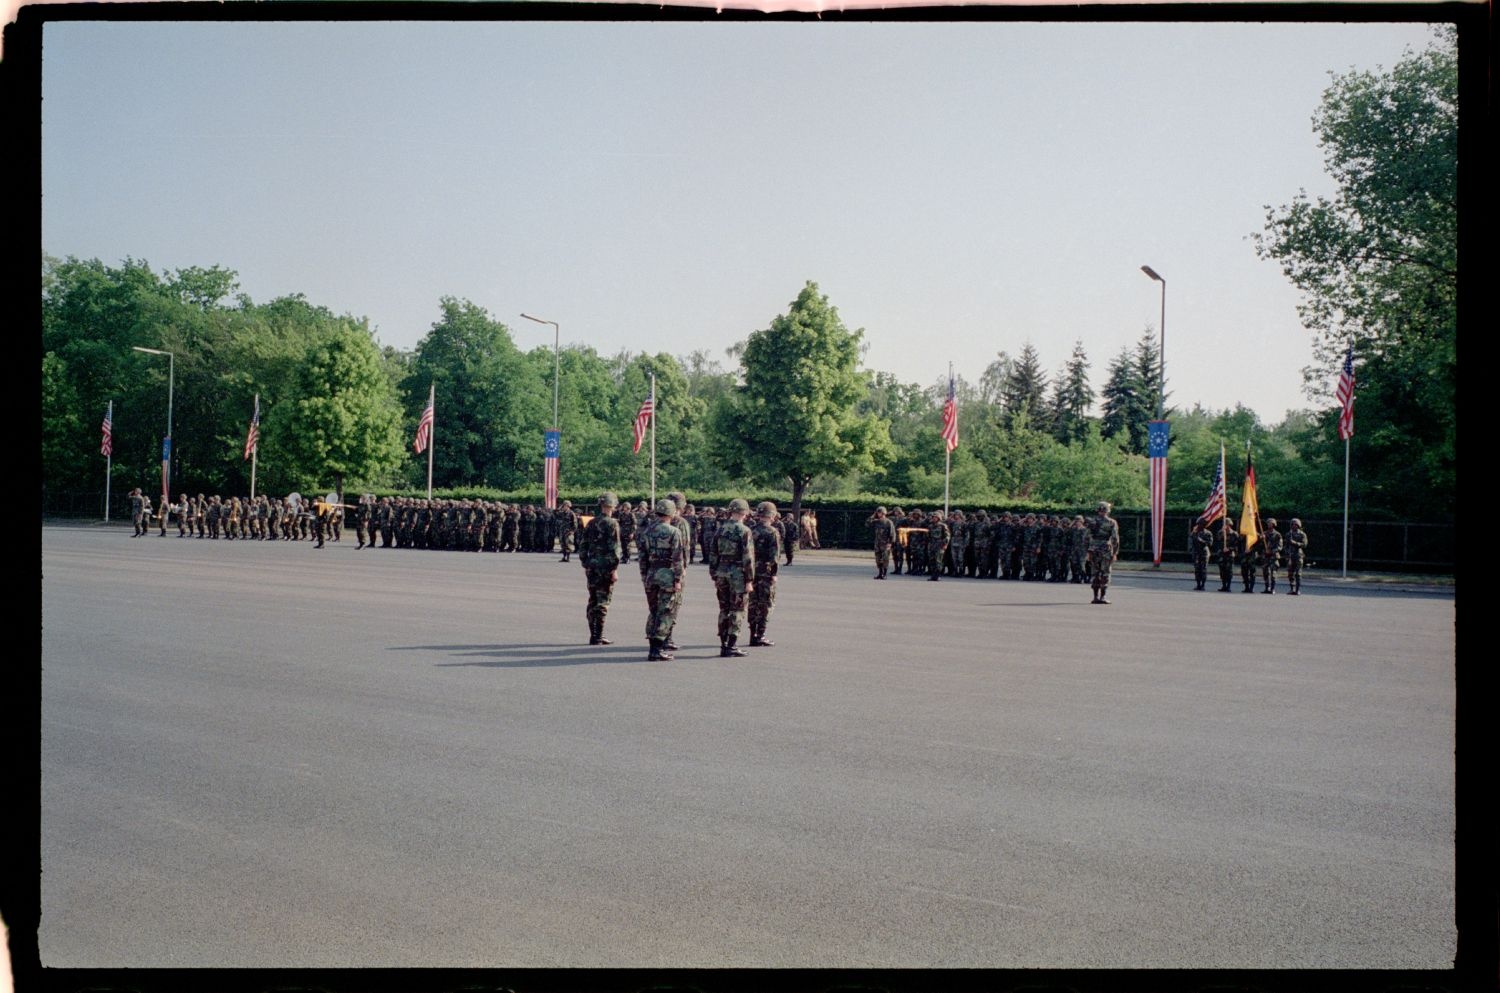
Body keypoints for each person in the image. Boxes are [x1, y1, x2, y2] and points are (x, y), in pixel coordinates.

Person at [639, 498, 685, 661]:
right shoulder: (674, 532)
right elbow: (678, 559)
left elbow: (642, 557)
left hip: (652, 574)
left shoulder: (647, 531)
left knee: (654, 611)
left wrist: (644, 576)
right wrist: (678, 579)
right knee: (665, 611)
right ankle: (657, 649)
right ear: (671, 513)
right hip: (667, 574)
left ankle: (652, 647)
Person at [713, 498, 755, 657]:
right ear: (744, 512)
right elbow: (748, 557)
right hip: (738, 574)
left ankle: (723, 644)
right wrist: (749, 579)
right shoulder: (744, 531)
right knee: (737, 609)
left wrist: (714, 573)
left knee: (724, 609)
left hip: (722, 572)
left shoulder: (720, 529)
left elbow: (713, 554)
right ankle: (731, 645)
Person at [580, 493, 623, 646]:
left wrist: (585, 564)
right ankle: (598, 636)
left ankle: (594, 634)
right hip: (605, 567)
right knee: (603, 602)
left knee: (593, 600)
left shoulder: (591, 523)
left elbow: (583, 545)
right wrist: (614, 569)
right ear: (612, 506)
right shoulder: (612, 524)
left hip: (592, 566)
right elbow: (614, 549)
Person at [748, 502, 781, 647]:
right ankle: (760, 635)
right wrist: (774, 574)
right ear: (772, 515)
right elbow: (774, 556)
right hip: (765, 573)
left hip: (751, 571)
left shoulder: (750, 530)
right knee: (766, 603)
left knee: (752, 603)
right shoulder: (772, 532)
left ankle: (752, 633)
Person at [1086, 500, 1120, 604]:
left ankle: (1095, 597)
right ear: (1107, 511)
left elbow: (1086, 537)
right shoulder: (1111, 522)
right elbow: (1115, 538)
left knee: (1095, 572)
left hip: (1093, 549)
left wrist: (1087, 551)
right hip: (1105, 549)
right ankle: (1103, 596)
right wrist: (1115, 552)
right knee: (1105, 572)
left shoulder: (1092, 522)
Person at [867, 506, 896, 579]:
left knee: (885, 559)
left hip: (885, 544)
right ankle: (880, 573)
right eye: (878, 512)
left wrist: (890, 543)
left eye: (880, 512)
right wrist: (873, 515)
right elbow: (867, 524)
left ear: (884, 513)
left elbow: (892, 533)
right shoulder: (876, 521)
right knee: (878, 559)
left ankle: (884, 574)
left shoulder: (888, 522)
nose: (879, 514)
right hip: (877, 543)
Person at [1260, 517, 1284, 594]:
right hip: (1265, 556)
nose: (1269, 525)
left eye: (1270, 523)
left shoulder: (1277, 535)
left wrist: (1271, 551)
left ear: (1274, 524)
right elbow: (1259, 545)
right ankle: (1267, 587)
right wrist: (1261, 539)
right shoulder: (1264, 534)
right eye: (1268, 523)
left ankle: (1272, 588)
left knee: (1273, 573)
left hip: (1273, 556)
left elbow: (1279, 546)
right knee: (1265, 572)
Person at [1213, 519, 1238, 592]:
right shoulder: (1221, 532)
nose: (1225, 525)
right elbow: (1218, 540)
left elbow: (1236, 546)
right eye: (1224, 524)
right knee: (1222, 571)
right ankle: (1223, 586)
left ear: (1229, 525)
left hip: (1229, 555)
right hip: (1222, 555)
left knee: (1229, 571)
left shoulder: (1234, 534)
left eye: (1226, 524)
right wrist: (1222, 532)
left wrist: (1229, 549)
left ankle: (1228, 586)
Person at [1285, 519, 1308, 595]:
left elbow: (1304, 544)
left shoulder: (1302, 534)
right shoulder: (1288, 534)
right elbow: (1286, 546)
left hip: (1298, 556)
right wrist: (1287, 553)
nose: (1294, 526)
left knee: (1298, 574)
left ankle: (1297, 590)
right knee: (1290, 573)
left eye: (1296, 524)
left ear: (1299, 525)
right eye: (1292, 524)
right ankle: (1292, 588)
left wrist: (1295, 543)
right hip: (1291, 556)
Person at [925, 511, 950, 582]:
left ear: (939, 518)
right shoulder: (930, 526)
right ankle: (933, 575)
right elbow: (928, 536)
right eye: (933, 517)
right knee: (931, 560)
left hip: (939, 545)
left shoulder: (943, 526)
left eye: (935, 517)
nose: (934, 518)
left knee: (938, 561)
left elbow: (947, 536)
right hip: (932, 545)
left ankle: (938, 575)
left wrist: (945, 544)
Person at [1190, 520, 1214, 591]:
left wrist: (1201, 541)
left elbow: (1210, 543)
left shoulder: (1208, 533)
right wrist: (1194, 532)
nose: (1198, 526)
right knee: (1197, 569)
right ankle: (1198, 584)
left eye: (1200, 524)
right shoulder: (1195, 532)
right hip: (1196, 553)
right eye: (1198, 524)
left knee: (1203, 569)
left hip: (1204, 553)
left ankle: (1203, 585)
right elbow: (1191, 540)